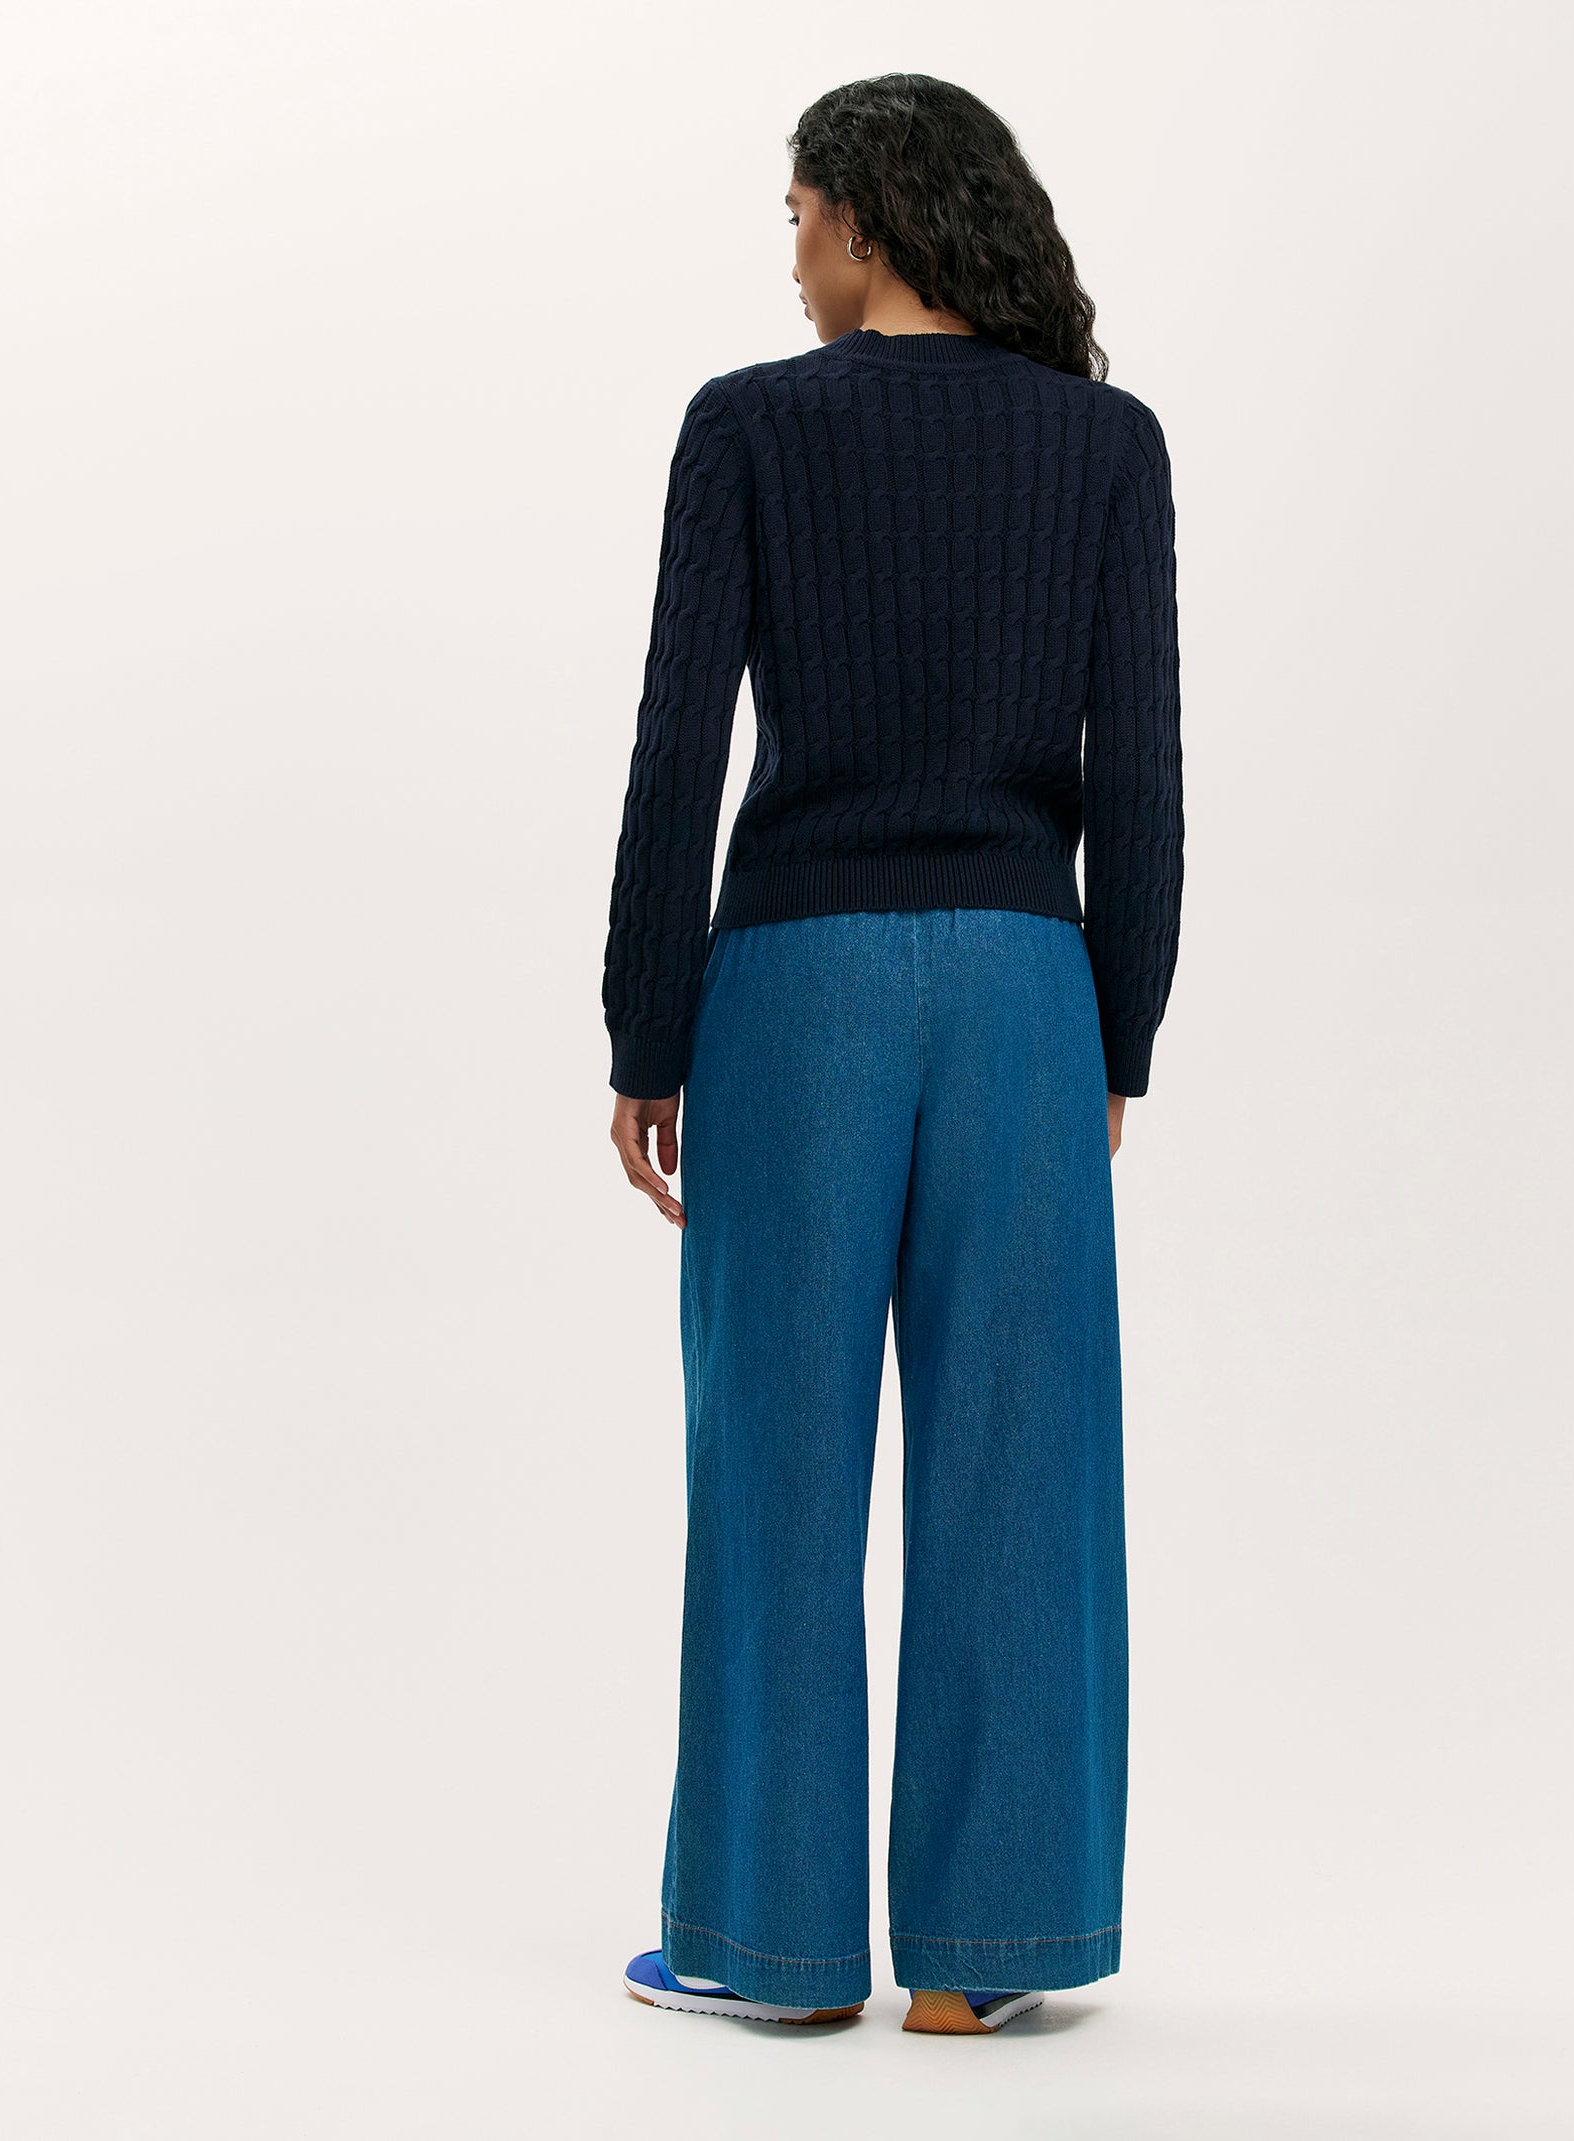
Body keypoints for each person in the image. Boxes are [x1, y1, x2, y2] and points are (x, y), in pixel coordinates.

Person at [601, 73, 1184, 2036]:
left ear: (864, 217)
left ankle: (765, 1950)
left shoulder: (749, 427)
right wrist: (1118, 1026)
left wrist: (645, 1027)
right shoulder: (1105, 443)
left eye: (796, 217)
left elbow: (679, 750)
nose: (789, 257)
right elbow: (1140, 770)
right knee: (1023, 1463)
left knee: (772, 1455)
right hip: (1024, 986)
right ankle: (984, 1962)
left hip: (796, 991)